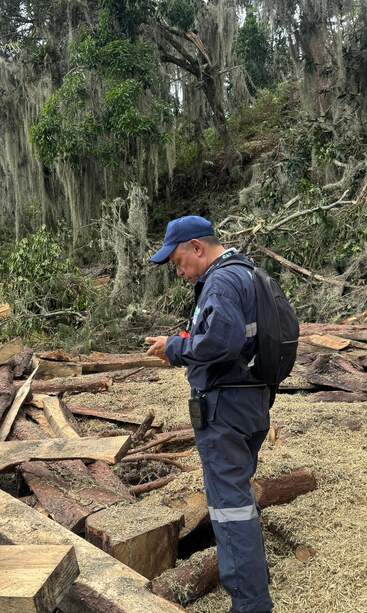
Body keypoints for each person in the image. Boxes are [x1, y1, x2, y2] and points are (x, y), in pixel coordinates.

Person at [145, 216, 274, 613]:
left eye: (178, 261)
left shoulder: (220, 281)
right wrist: (181, 340)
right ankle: (253, 584)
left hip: (225, 408)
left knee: (229, 509)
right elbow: (238, 338)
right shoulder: (250, 273)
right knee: (238, 499)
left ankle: (250, 605)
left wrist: (175, 349)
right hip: (252, 401)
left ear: (198, 248)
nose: (178, 272)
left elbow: (221, 339)